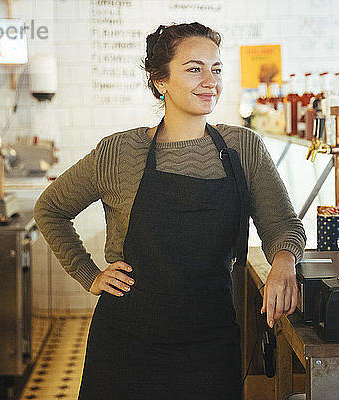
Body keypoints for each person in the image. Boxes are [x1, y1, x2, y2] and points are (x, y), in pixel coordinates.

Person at [34, 22, 306, 400]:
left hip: (211, 341)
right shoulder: (119, 153)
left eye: (216, 68)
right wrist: (88, 273)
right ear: (160, 80)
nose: (210, 80)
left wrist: (284, 260)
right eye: (194, 68)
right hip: (127, 344)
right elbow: (50, 209)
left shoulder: (244, 148)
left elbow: (282, 223)